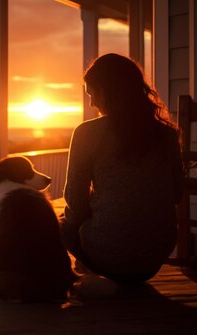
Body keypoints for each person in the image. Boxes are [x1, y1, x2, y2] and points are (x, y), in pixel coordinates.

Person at [60, 53, 184, 291]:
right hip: (154, 258)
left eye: (91, 94)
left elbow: (75, 199)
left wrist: (91, 219)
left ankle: (91, 271)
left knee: (62, 224)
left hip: (109, 255)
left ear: (105, 91)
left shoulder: (87, 133)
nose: (91, 103)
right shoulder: (166, 134)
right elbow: (177, 193)